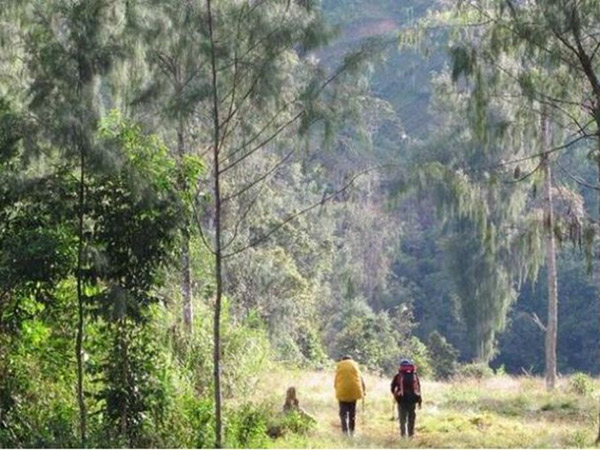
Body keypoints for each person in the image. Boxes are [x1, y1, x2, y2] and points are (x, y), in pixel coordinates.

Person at [334, 355, 366, 436]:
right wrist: (363, 391)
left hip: (342, 393)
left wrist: (337, 389)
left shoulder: (339, 366)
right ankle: (352, 431)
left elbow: (336, 380)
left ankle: (345, 432)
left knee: (343, 414)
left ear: (343, 360)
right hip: (353, 392)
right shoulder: (355, 365)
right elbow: (361, 379)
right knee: (352, 413)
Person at [391, 359, 422, 438]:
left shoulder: (398, 376)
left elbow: (392, 387)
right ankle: (411, 435)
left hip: (402, 400)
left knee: (402, 419)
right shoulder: (414, 375)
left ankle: (403, 435)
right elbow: (418, 388)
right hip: (412, 399)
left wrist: (396, 395)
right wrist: (419, 399)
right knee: (411, 418)